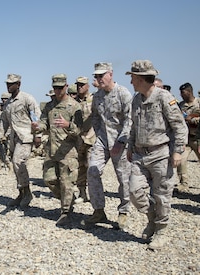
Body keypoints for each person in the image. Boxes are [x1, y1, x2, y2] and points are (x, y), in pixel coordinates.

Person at [126, 60, 187, 250]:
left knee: (162, 195)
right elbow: (134, 126)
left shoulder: (163, 97)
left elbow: (179, 126)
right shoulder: (136, 99)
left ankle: (161, 230)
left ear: (142, 79)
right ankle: (152, 218)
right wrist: (130, 146)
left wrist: (178, 151)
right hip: (140, 154)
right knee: (134, 191)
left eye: (133, 77)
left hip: (161, 154)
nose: (131, 82)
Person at [85, 62, 132, 230]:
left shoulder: (123, 93)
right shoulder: (97, 96)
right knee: (92, 171)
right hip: (103, 141)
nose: (98, 79)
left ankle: (124, 211)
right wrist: (99, 136)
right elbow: (96, 118)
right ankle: (99, 210)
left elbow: (130, 119)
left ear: (110, 74)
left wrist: (121, 141)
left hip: (121, 141)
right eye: (96, 76)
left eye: (101, 75)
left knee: (123, 177)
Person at [32, 74, 83, 225]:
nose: (58, 91)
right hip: (52, 150)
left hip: (68, 151)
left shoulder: (74, 106)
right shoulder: (49, 106)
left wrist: (68, 125)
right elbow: (44, 123)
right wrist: (37, 127)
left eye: (61, 88)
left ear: (66, 87)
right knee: (49, 179)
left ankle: (65, 211)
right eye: (55, 88)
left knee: (67, 183)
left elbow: (80, 130)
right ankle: (68, 199)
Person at [0, 74, 41, 208]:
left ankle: (27, 193)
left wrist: (38, 135)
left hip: (26, 136)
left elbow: (35, 117)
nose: (8, 86)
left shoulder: (27, 99)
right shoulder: (7, 104)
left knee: (18, 161)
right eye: (7, 84)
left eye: (11, 84)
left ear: (18, 84)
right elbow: (4, 123)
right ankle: (22, 193)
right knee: (15, 166)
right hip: (13, 139)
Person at [74, 76, 96, 204]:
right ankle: (82, 193)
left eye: (82, 85)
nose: (79, 87)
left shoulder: (94, 99)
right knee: (80, 166)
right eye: (78, 85)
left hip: (91, 138)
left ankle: (94, 195)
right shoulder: (74, 102)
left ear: (88, 86)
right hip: (78, 139)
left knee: (91, 167)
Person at [175, 82, 200, 192]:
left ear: (189, 92)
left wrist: (193, 120)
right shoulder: (181, 105)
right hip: (186, 139)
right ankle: (183, 184)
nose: (181, 95)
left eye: (183, 93)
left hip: (198, 138)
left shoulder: (198, 103)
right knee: (181, 160)